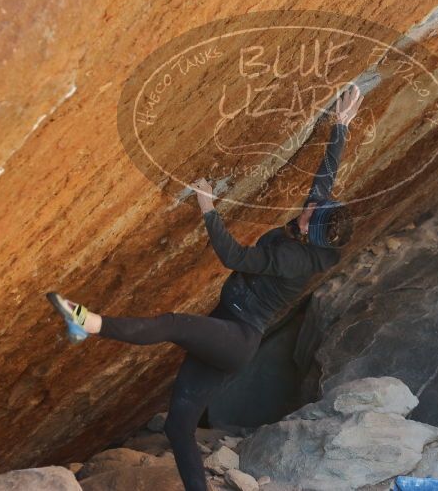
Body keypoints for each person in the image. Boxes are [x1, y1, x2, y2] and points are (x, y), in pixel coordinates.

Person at [46, 85, 364, 491]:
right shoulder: (316, 224)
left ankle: (87, 323)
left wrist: (207, 206)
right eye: (316, 205)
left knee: (173, 323)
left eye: (313, 211)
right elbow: (326, 176)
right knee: (179, 425)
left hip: (236, 338)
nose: (313, 204)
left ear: (309, 229)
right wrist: (340, 126)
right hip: (226, 329)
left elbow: (233, 257)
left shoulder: (294, 260)